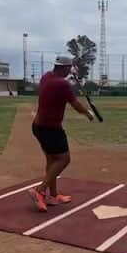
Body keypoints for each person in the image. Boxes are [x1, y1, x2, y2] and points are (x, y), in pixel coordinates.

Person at [28, 56, 94, 212]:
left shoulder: (47, 76)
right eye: (69, 68)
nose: (70, 71)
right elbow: (76, 105)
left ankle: (53, 195)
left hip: (39, 126)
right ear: (64, 68)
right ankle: (40, 191)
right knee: (64, 159)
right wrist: (88, 114)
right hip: (51, 129)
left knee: (52, 160)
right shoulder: (62, 84)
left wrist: (70, 80)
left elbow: (61, 89)